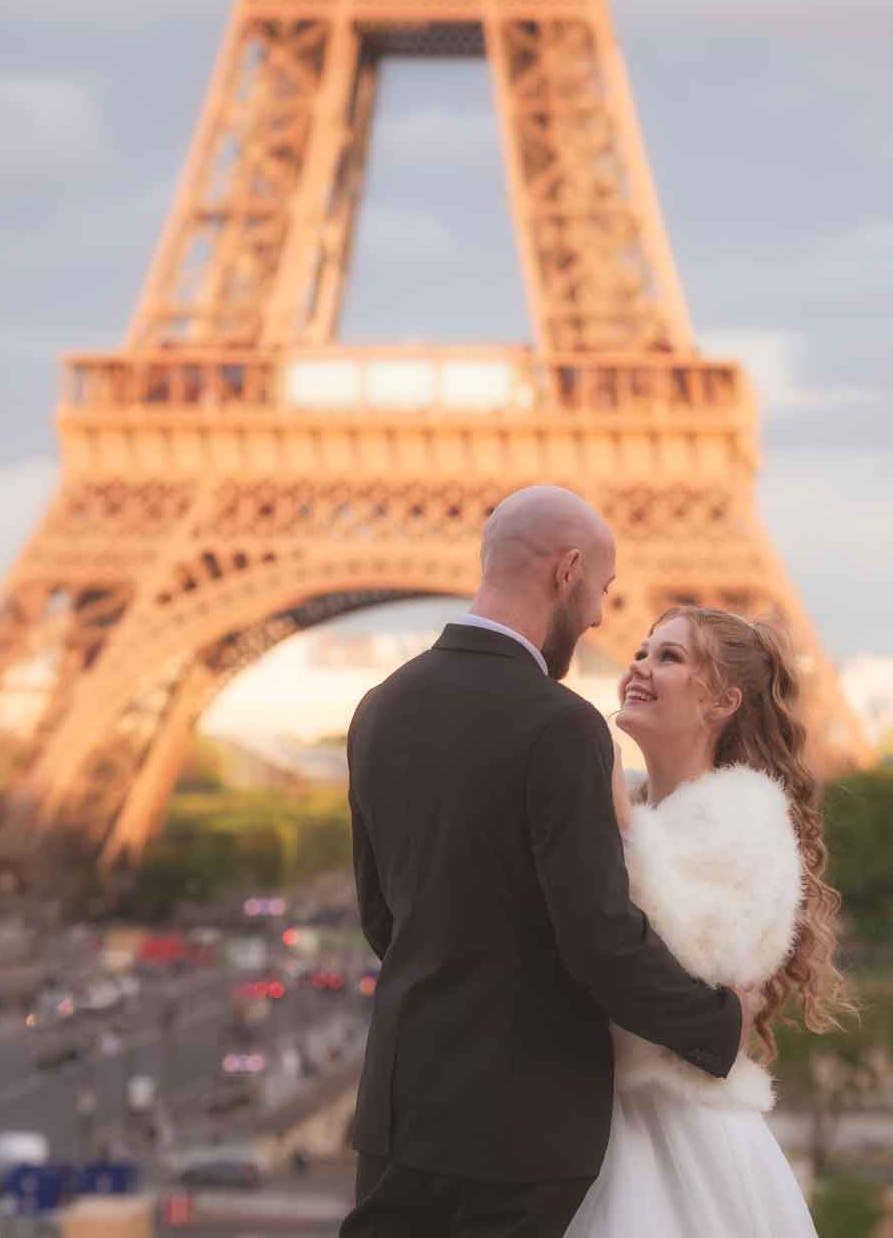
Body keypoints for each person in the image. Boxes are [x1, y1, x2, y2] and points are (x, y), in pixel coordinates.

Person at [342, 486, 760, 1238]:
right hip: (522, 1126)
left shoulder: (380, 706)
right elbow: (596, 934)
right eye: (601, 589)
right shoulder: (563, 727)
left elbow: (383, 917)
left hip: (404, 1110)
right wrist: (718, 1023)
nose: (601, 615)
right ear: (567, 572)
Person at [563, 606, 853, 1236]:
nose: (639, 664)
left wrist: (615, 819)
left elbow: (673, 960)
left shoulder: (746, 818)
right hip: (608, 1121)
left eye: (669, 656)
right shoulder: (643, 813)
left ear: (722, 701)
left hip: (674, 1133)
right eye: (641, 651)